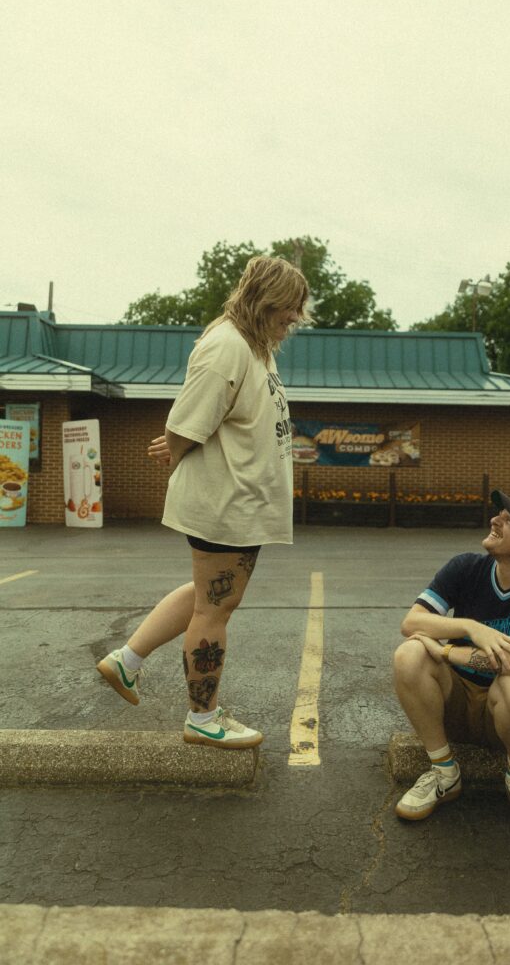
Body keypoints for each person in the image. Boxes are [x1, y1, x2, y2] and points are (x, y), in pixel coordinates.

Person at [97, 255, 310, 748]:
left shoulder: (255, 347)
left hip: (240, 500)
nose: (295, 318)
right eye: (290, 308)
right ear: (266, 301)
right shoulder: (227, 347)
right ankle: (202, 718)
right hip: (226, 502)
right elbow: (189, 417)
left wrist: (180, 439)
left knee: (205, 595)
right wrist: (176, 441)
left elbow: (208, 421)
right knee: (216, 609)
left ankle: (126, 661)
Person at [393, 490, 510, 836]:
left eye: (509, 520)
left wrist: (446, 651)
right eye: (499, 514)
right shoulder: (466, 568)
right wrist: (468, 627)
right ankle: (444, 773)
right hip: (455, 703)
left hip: (505, 716)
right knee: (409, 655)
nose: (495, 520)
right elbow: (411, 624)